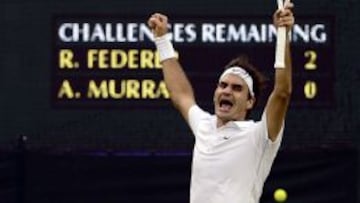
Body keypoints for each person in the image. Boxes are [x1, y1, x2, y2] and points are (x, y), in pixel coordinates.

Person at [147, 2, 294, 203]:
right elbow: (180, 95)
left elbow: (282, 93)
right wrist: (162, 40)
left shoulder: (259, 135)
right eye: (223, 85)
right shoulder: (204, 125)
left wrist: (283, 35)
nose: (227, 91)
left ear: (250, 102)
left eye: (237, 88)